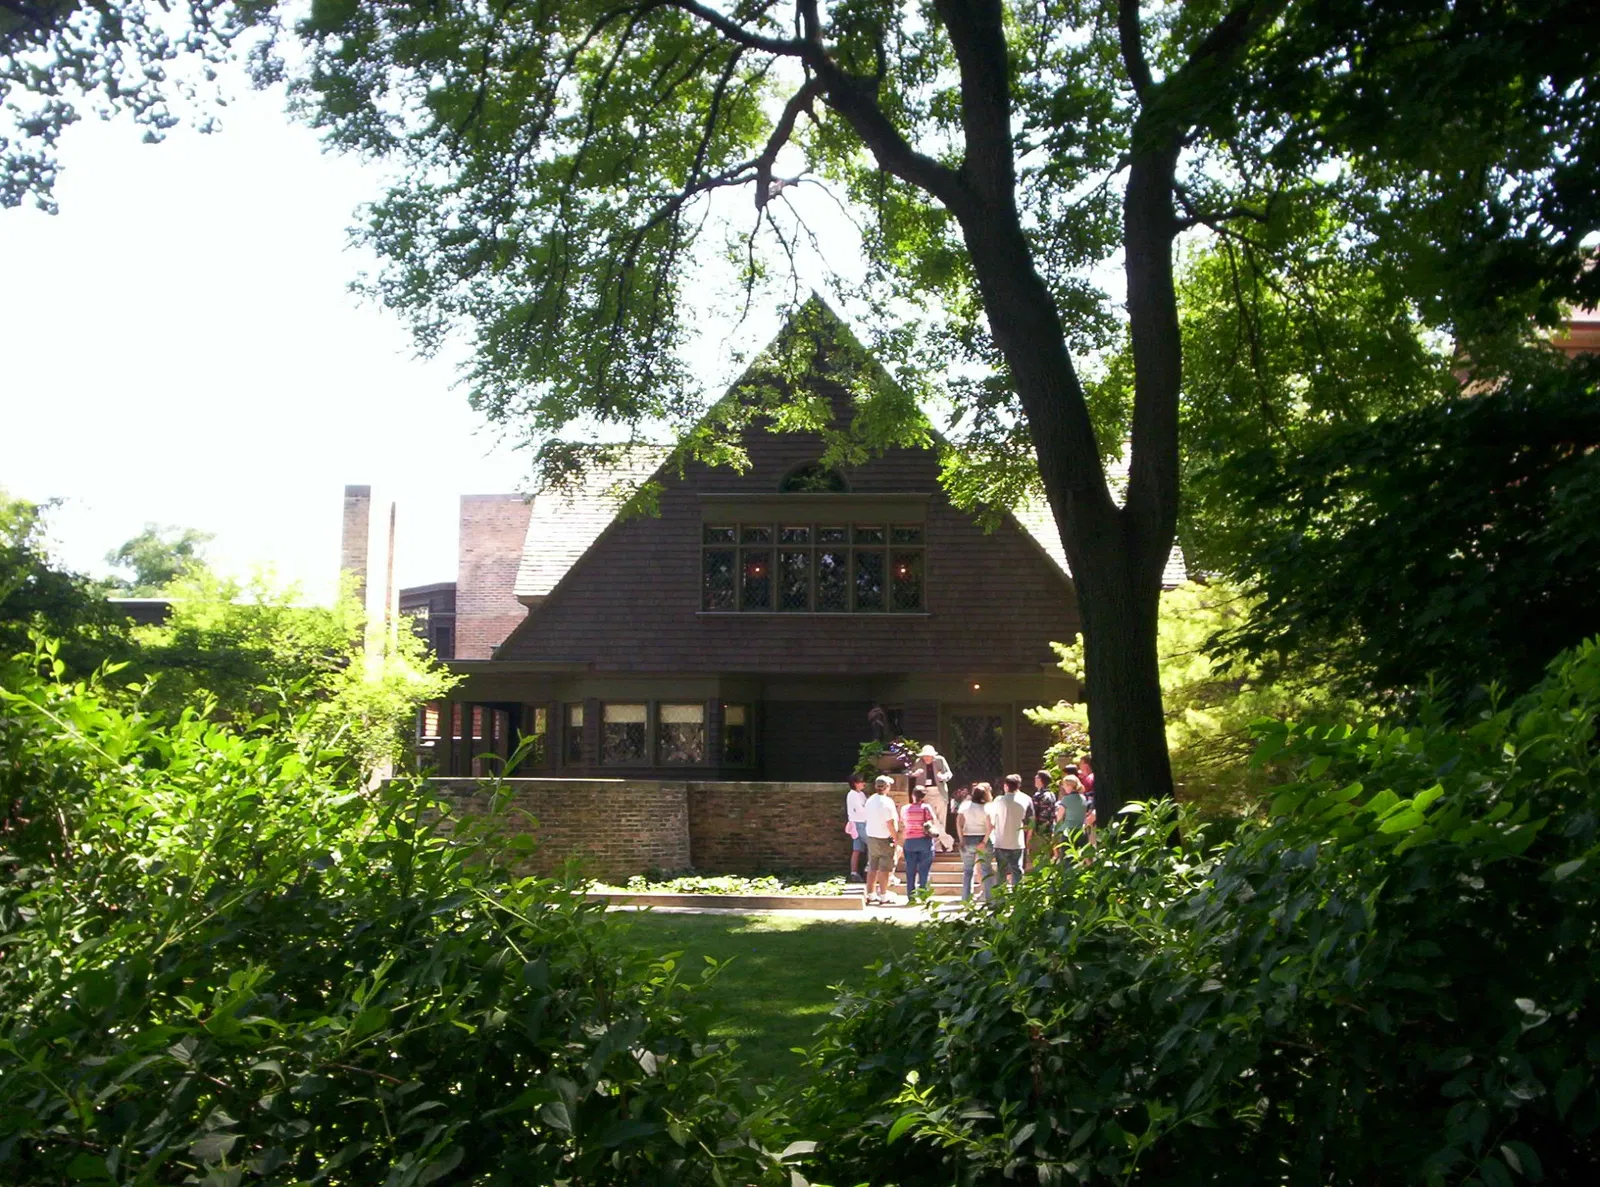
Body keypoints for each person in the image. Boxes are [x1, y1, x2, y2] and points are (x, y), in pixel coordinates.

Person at [987, 773, 1034, 889]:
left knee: (1001, 871)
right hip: (1017, 842)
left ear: (1005, 786)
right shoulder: (1026, 800)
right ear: (1019, 786)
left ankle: (1001, 899)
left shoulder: (998, 800)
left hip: (1000, 841)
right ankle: (1018, 897)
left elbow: (990, 819)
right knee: (1017, 870)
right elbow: (1031, 823)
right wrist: (1028, 840)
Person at [862, 775, 902, 907]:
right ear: (887, 787)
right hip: (884, 837)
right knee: (885, 867)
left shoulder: (870, 800)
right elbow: (890, 823)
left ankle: (870, 894)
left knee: (872, 865)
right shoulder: (887, 802)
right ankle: (884, 895)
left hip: (871, 836)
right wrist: (896, 837)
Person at [957, 782, 994, 902]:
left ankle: (966, 898)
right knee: (986, 869)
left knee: (968, 870)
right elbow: (990, 826)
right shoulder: (987, 808)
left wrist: (961, 838)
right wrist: (984, 841)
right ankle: (989, 898)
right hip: (982, 837)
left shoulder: (965, 806)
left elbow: (959, 823)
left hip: (968, 838)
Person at [899, 786, 938, 900]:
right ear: (924, 797)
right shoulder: (926, 808)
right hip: (924, 841)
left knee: (910, 871)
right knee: (924, 871)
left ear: (913, 795)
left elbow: (903, 821)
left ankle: (911, 897)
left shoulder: (905, 808)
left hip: (910, 841)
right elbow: (932, 821)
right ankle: (923, 895)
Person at [912, 743, 953, 844]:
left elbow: (949, 773)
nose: (926, 758)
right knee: (931, 818)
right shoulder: (919, 762)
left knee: (941, 818)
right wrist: (915, 774)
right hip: (926, 793)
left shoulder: (940, 760)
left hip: (939, 792)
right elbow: (911, 773)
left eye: (928, 756)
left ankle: (941, 843)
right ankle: (939, 843)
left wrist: (943, 777)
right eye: (924, 756)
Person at [1030, 769, 1059, 867]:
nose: (1035, 779)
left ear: (1041, 780)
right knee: (1047, 853)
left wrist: (1032, 830)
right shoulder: (1051, 794)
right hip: (1049, 828)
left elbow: (1034, 813)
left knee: (1039, 855)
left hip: (1040, 830)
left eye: (1037, 777)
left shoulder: (1039, 795)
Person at [845, 773, 869, 883]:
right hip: (859, 823)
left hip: (859, 823)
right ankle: (868, 869)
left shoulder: (861, 794)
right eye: (861, 782)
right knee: (872, 844)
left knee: (857, 849)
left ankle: (854, 872)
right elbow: (860, 809)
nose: (863, 783)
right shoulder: (852, 795)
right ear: (855, 784)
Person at [1056, 773, 1088, 857]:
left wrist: (1057, 830)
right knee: (1081, 858)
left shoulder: (1065, 799)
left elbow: (1059, 817)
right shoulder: (1083, 798)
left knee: (1067, 860)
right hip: (1081, 831)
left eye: (1065, 785)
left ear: (1070, 786)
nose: (1064, 787)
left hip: (1068, 833)